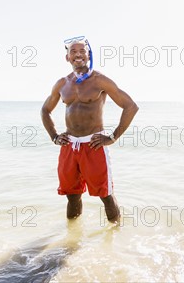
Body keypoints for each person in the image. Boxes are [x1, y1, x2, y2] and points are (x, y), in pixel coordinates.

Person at [41, 36, 139, 223]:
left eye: (82, 51)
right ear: (67, 58)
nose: (78, 55)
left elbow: (131, 106)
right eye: (73, 52)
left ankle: (113, 239)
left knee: (105, 195)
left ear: (88, 55)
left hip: (94, 145)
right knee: (72, 195)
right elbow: (45, 110)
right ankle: (71, 240)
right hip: (70, 146)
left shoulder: (100, 80)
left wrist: (113, 137)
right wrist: (54, 136)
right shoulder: (62, 84)